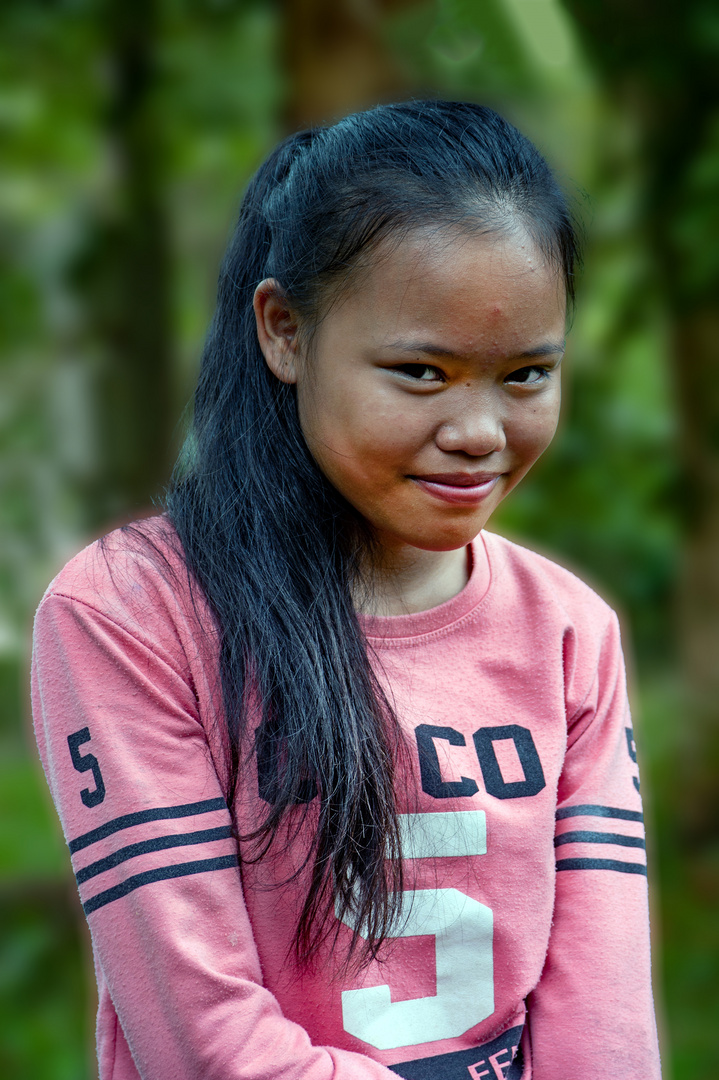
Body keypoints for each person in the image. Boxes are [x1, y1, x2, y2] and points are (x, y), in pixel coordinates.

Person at [31, 100, 662, 1080]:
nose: (479, 431)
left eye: (526, 375)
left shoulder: (570, 633)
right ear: (284, 332)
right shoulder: (130, 617)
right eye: (421, 371)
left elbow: (603, 1026)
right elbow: (202, 1045)